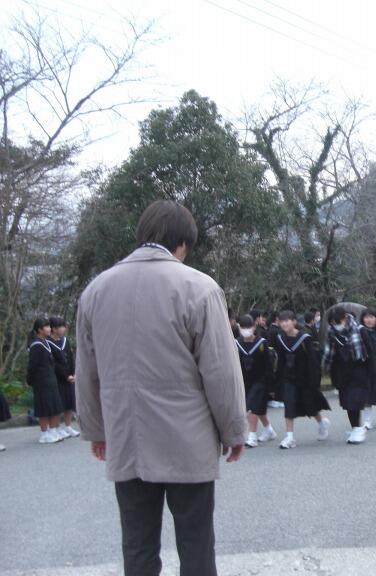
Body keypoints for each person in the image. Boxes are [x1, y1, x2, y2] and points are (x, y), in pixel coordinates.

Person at [76, 200, 248, 576]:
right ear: (183, 244)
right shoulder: (199, 288)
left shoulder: (96, 291)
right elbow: (220, 371)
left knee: (137, 544)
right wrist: (234, 430)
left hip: (128, 436)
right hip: (188, 441)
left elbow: (87, 370)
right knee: (196, 544)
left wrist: (96, 430)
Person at [274, 310, 331, 449]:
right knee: (289, 406)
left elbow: (312, 361)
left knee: (310, 406)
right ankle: (290, 437)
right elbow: (280, 361)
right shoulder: (280, 339)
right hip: (289, 378)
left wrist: (314, 381)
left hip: (305, 379)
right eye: (281, 321)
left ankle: (322, 423)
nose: (284, 323)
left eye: (287, 320)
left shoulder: (305, 338)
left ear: (294, 322)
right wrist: (278, 381)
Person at [323, 308, 376, 444]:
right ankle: (355, 428)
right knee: (347, 402)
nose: (336, 325)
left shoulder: (359, 330)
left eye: (338, 322)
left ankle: (358, 428)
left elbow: (370, 353)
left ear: (345, 318)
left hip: (359, 371)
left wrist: (373, 373)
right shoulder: (331, 333)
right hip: (341, 372)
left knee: (355, 400)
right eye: (333, 323)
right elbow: (330, 354)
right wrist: (331, 374)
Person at [236, 315, 277, 448]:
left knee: (252, 407)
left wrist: (271, 386)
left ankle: (252, 436)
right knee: (258, 409)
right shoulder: (237, 344)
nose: (246, 330)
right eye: (243, 327)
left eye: (248, 327)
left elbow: (268, 365)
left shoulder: (261, 343)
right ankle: (269, 430)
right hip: (244, 382)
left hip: (260, 381)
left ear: (254, 327)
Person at [27, 318, 65, 444]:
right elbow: (32, 366)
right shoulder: (36, 345)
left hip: (51, 380)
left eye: (49, 326)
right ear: (39, 330)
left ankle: (53, 430)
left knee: (54, 406)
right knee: (44, 408)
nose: (49, 329)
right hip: (41, 382)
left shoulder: (46, 342)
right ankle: (44, 433)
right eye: (46, 327)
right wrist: (30, 380)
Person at [48, 317, 80, 439]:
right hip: (58, 379)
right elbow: (54, 363)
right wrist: (65, 376)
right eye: (61, 326)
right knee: (59, 404)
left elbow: (70, 358)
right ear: (54, 329)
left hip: (70, 377)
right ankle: (57, 427)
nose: (64, 328)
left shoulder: (65, 340)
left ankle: (67, 426)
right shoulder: (48, 343)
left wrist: (73, 373)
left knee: (70, 402)